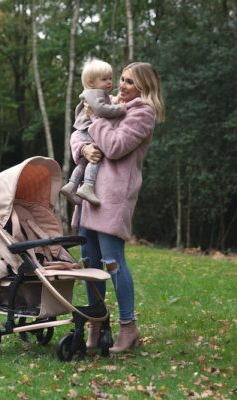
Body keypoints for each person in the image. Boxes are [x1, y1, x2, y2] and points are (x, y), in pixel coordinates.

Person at [70, 62, 165, 353]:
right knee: (89, 265)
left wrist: (96, 119)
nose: (121, 86)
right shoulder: (111, 104)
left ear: (144, 88)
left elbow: (114, 146)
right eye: (121, 80)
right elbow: (79, 132)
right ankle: (96, 324)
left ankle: (128, 326)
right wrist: (83, 149)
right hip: (90, 196)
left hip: (113, 199)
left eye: (129, 82)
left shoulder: (142, 113)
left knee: (112, 263)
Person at [60, 59, 126, 206]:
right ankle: (88, 186)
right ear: (91, 83)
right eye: (104, 79)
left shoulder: (97, 94)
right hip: (86, 131)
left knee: (84, 161)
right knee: (97, 155)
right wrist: (122, 108)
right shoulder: (93, 94)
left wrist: (116, 100)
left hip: (83, 131)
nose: (109, 82)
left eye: (110, 78)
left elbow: (107, 102)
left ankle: (72, 185)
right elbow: (102, 109)